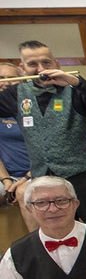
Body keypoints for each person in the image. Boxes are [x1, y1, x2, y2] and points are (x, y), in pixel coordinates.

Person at [16, 41, 86, 227]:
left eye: (46, 63)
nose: (41, 69)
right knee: (55, 229)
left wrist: (75, 81)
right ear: (22, 68)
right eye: (32, 64)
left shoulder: (75, 89)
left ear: (57, 64)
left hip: (83, 175)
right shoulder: (16, 93)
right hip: (43, 178)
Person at [0, 62, 31, 226]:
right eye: (1, 78)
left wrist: (26, 178)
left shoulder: (30, 109)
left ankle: (35, 249)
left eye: (11, 78)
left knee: (23, 192)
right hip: (7, 176)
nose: (4, 82)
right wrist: (6, 180)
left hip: (36, 173)